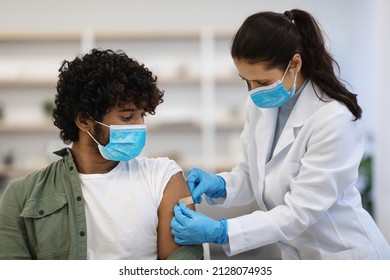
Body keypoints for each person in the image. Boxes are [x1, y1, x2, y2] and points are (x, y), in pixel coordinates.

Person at [171, 9, 390, 259]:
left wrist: (222, 231)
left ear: (294, 64)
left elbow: (298, 212)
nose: (253, 92)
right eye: (246, 81)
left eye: (263, 82)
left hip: (346, 257)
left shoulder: (333, 118)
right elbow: (250, 174)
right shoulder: (259, 106)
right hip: (298, 256)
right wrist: (221, 185)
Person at [0, 49, 203, 260]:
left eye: (141, 115)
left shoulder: (164, 177)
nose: (140, 125)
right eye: (127, 117)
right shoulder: (22, 195)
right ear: (84, 121)